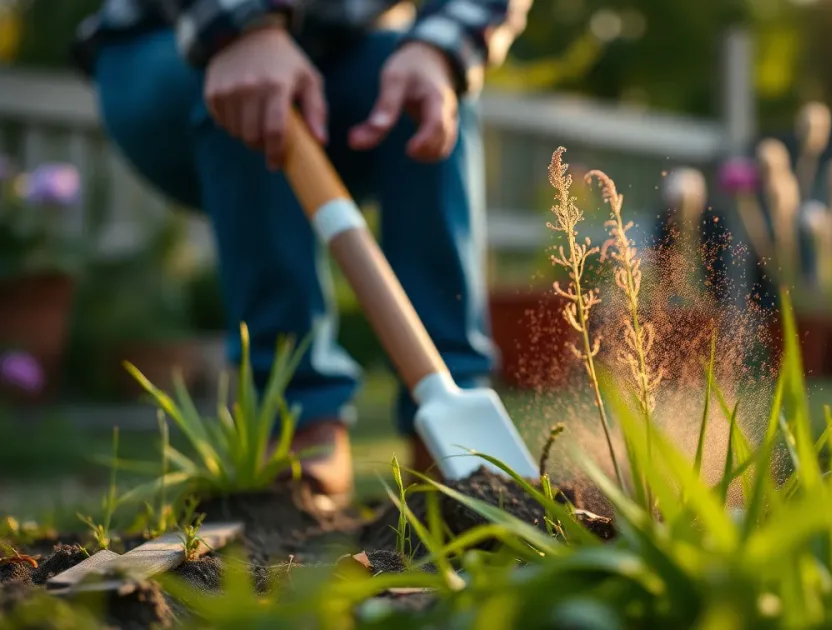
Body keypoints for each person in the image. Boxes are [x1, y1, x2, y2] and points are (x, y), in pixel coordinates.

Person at [70, 0, 533, 503]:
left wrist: (436, 48)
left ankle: (454, 426)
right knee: (257, 97)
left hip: (340, 52)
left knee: (430, 95)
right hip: (168, 43)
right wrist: (245, 27)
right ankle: (299, 419)